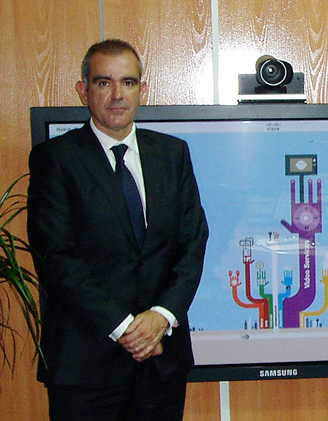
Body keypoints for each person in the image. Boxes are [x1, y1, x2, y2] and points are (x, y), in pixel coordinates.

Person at [27, 39, 209, 421]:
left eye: (128, 82)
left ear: (143, 90)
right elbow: (56, 257)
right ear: (83, 91)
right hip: (86, 365)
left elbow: (192, 242)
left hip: (161, 362)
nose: (117, 95)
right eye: (103, 82)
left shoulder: (172, 154)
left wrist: (161, 316)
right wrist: (127, 329)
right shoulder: (55, 159)